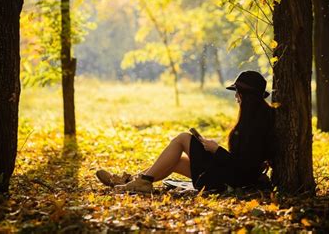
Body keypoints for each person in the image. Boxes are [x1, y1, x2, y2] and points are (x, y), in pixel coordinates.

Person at [96, 70, 275, 193]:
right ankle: (132, 182)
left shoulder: (255, 125)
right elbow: (243, 161)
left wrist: (216, 150)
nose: (236, 97)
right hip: (229, 175)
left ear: (244, 95)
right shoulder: (258, 118)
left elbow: (244, 167)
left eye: (237, 93)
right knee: (175, 160)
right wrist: (214, 149)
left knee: (183, 138)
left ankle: (139, 182)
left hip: (231, 181)